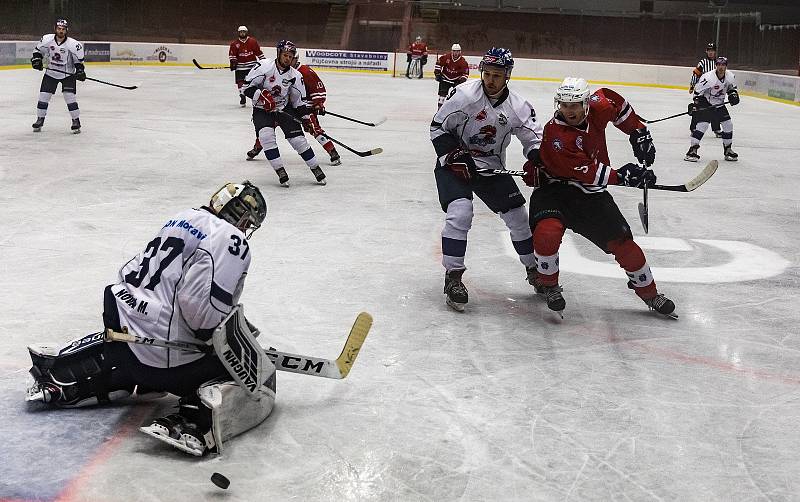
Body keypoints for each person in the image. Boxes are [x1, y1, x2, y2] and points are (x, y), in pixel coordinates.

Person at [25, 181, 277, 456]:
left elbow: (129, 274)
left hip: (120, 336)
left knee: (145, 336)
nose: (245, 229)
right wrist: (224, 339)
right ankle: (192, 422)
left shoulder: (183, 217)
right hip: (164, 362)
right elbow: (200, 313)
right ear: (240, 216)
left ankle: (64, 374)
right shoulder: (231, 239)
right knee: (257, 375)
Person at [522, 77, 676, 318]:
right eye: (563, 105)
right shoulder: (556, 134)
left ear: (586, 103)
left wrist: (638, 131)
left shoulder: (598, 106)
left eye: (574, 105)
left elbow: (615, 102)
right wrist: (625, 176)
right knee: (546, 233)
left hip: (591, 195)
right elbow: (589, 172)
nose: (568, 111)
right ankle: (549, 285)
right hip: (554, 191)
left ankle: (650, 293)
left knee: (625, 245)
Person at [430, 47, 543, 312]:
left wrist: (537, 160)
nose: (490, 80)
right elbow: (437, 127)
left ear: (507, 76)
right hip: (455, 165)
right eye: (487, 74)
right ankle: (453, 277)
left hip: (491, 167)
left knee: (518, 217)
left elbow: (533, 139)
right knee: (460, 213)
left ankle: (534, 270)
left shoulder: (517, 106)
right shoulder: (464, 96)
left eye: (497, 75)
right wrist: (453, 154)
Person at [241, 40, 326, 187]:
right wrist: (261, 96)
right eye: (285, 55)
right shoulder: (264, 67)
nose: (287, 58)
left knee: (298, 140)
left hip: (284, 109)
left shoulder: (295, 75)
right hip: (263, 111)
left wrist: (306, 119)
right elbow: (246, 88)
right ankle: (280, 170)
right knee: (266, 138)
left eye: (290, 56)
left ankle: (315, 167)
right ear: (279, 54)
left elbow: (298, 102)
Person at [247, 53, 341, 166]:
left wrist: (318, 104)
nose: (288, 60)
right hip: (286, 107)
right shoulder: (283, 71)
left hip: (304, 106)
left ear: (295, 59)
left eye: (291, 58)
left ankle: (332, 151)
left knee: (313, 127)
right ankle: (257, 147)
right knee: (267, 127)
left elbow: (318, 87)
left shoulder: (304, 71)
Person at [30, 19, 85, 133]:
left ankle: (76, 121)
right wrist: (36, 61)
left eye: (63, 29)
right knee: (43, 97)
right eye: (59, 29)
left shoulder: (73, 45)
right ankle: (40, 120)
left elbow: (78, 62)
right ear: (55, 29)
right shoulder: (47, 40)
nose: (61, 31)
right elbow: (37, 52)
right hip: (51, 73)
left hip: (68, 75)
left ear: (66, 30)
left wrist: (80, 71)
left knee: (70, 98)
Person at [685, 56, 739, 162]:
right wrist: (696, 104)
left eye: (723, 65)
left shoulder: (730, 76)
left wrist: (733, 95)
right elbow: (697, 90)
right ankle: (692, 150)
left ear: (726, 66)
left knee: (728, 124)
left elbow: (731, 88)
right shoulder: (708, 77)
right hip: (706, 103)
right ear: (716, 65)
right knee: (703, 125)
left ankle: (728, 149)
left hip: (719, 104)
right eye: (719, 64)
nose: (721, 67)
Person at [689, 42, 723, 137]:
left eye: (712, 51)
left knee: (715, 109)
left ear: (715, 52)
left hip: (714, 91)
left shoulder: (718, 63)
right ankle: (693, 128)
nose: (710, 52)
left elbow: (722, 75)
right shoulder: (702, 62)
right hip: (702, 90)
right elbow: (696, 74)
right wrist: (692, 85)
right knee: (697, 109)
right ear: (706, 51)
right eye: (709, 50)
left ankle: (716, 129)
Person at [229, 26, 265, 107]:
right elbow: (232, 55)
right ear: (238, 33)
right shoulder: (234, 44)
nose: (242, 33)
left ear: (246, 32)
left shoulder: (252, 41)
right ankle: (242, 95)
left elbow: (258, 52)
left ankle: (258, 97)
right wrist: (233, 63)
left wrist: (263, 62)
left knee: (254, 82)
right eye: (241, 32)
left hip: (252, 66)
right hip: (240, 67)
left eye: (244, 32)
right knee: (240, 82)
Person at [434, 43, 470, 109]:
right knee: (442, 97)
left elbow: (465, 74)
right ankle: (439, 111)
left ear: (460, 52)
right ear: (451, 51)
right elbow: (438, 64)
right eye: (454, 51)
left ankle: (453, 111)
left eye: (457, 51)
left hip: (456, 80)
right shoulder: (446, 57)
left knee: (457, 97)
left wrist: (460, 81)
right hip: (445, 78)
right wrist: (438, 74)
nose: (456, 53)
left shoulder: (463, 62)